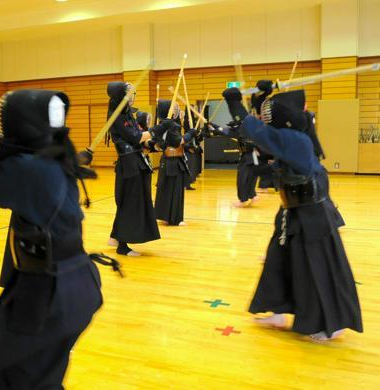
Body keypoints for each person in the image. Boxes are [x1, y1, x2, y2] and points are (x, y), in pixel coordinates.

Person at [0, 89, 122, 389]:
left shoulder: (28, 170)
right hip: (79, 285)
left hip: (48, 292)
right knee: (38, 377)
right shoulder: (56, 151)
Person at [222, 83, 362, 341]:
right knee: (278, 258)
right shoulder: (298, 131)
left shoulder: (294, 139)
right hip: (291, 211)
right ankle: (278, 310)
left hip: (311, 216)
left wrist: (234, 104)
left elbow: (259, 131)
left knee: (314, 267)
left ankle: (326, 324)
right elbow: (268, 142)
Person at [105, 82, 161, 256]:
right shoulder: (117, 116)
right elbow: (135, 137)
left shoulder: (128, 115)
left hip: (136, 162)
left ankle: (115, 237)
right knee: (129, 203)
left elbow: (141, 140)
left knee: (131, 201)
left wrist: (155, 144)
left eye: (133, 93)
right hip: (128, 165)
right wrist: (158, 129)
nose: (132, 97)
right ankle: (122, 246)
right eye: (128, 94)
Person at [153, 99, 197, 225]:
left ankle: (169, 217)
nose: (176, 111)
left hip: (174, 160)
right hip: (170, 161)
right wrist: (190, 134)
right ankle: (174, 218)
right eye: (173, 108)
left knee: (172, 188)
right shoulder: (167, 126)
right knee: (172, 189)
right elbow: (179, 141)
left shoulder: (171, 125)